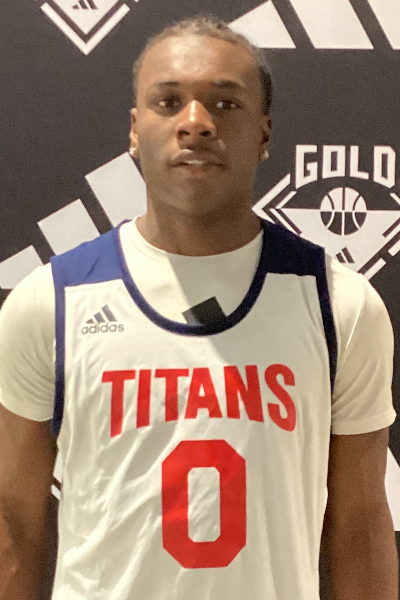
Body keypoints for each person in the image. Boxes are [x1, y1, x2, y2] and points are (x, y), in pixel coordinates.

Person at [0, 14, 398, 600]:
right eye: (168, 102)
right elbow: (15, 524)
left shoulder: (339, 304)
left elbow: (361, 529)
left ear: (264, 133)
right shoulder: (50, 301)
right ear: (134, 131)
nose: (195, 122)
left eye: (225, 104)